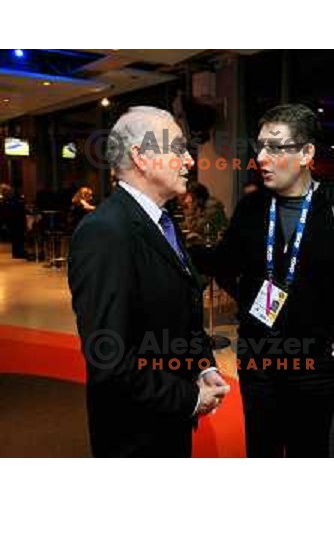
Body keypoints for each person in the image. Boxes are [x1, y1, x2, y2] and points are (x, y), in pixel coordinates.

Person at [210, 103, 334, 457]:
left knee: (312, 452)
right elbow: (225, 264)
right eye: (259, 146)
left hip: (320, 367)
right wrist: (252, 305)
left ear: (307, 153)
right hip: (259, 361)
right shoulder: (252, 207)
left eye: (275, 147)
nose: (261, 157)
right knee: (261, 450)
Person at [68, 106, 230, 457]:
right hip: (134, 436)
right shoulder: (105, 232)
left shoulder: (162, 222)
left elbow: (179, 314)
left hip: (166, 423)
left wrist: (203, 366)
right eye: (177, 149)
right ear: (141, 158)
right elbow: (109, 358)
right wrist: (190, 397)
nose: (189, 161)